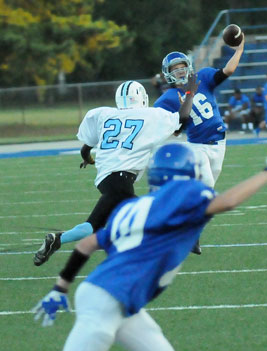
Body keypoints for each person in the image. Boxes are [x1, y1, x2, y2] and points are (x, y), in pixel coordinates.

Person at [5, 139, 267, 351]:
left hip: (111, 295)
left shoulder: (133, 207)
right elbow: (228, 202)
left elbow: (87, 243)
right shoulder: (187, 194)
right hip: (109, 298)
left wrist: (61, 287)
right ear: (190, 172)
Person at [33, 76, 198, 266]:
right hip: (121, 178)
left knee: (93, 226)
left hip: (106, 179)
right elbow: (183, 118)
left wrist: (89, 160)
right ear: (141, 98)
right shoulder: (150, 115)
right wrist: (189, 93)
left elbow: (85, 149)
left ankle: (57, 239)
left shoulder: (105, 115)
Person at [154, 35, 245, 253]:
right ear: (168, 73)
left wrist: (239, 50)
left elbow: (228, 71)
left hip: (219, 145)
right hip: (197, 147)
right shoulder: (167, 99)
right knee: (206, 191)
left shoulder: (203, 76)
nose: (180, 72)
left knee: (204, 197)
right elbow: (172, 128)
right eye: (174, 69)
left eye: (182, 67)